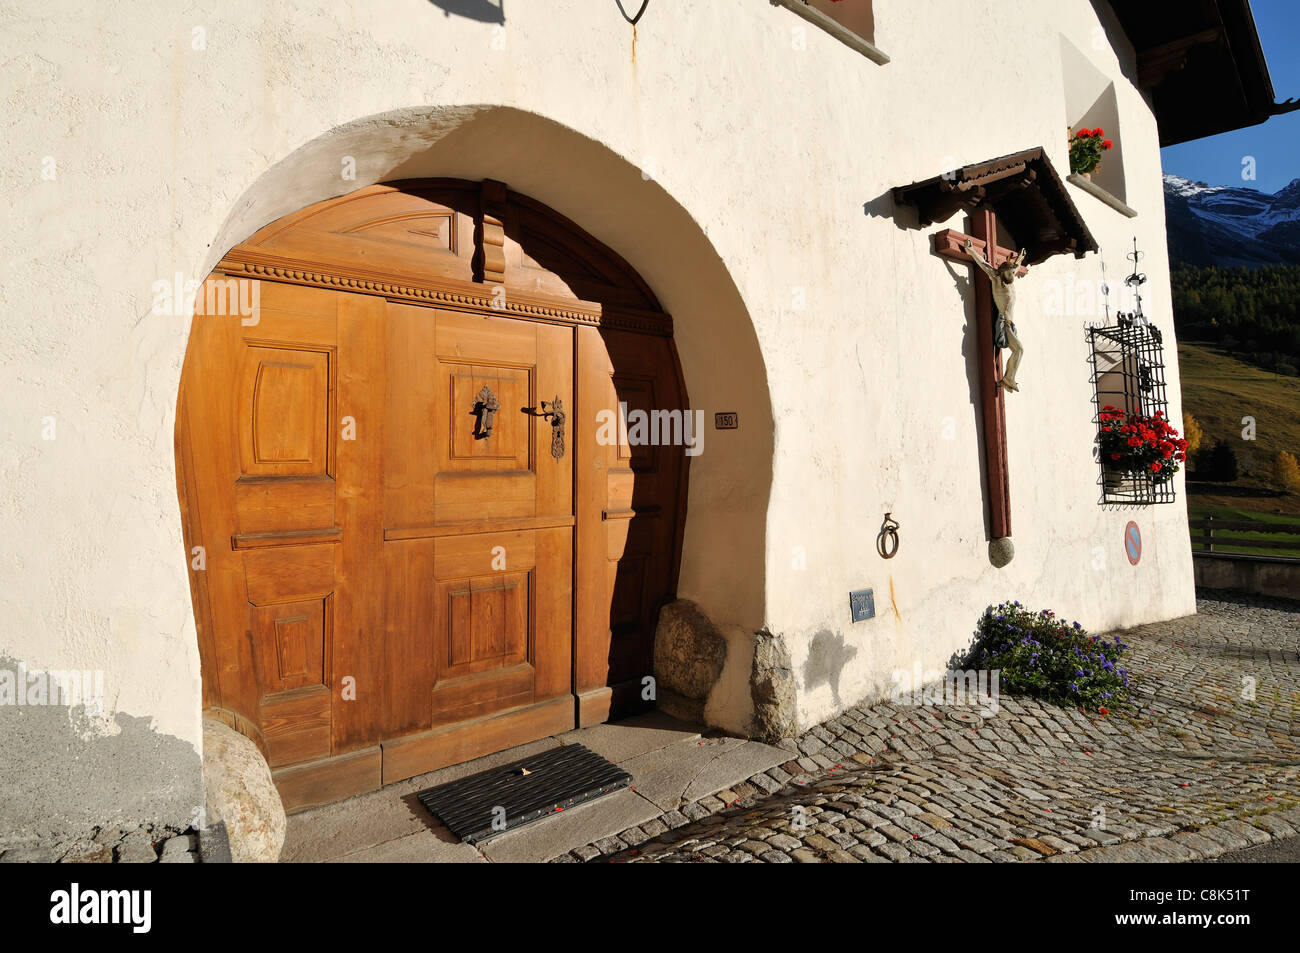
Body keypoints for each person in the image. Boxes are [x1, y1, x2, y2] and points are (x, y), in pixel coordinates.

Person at [965, 237, 1027, 392]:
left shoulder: (1010, 279)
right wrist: (971, 250)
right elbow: (984, 265)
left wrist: (1020, 258)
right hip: (1004, 323)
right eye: (1010, 272)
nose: (1013, 274)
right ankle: (1008, 378)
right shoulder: (997, 279)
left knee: (1018, 351)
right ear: (1003, 272)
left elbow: (1016, 266)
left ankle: (1009, 378)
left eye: (1013, 272)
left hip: (1011, 324)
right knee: (1019, 349)